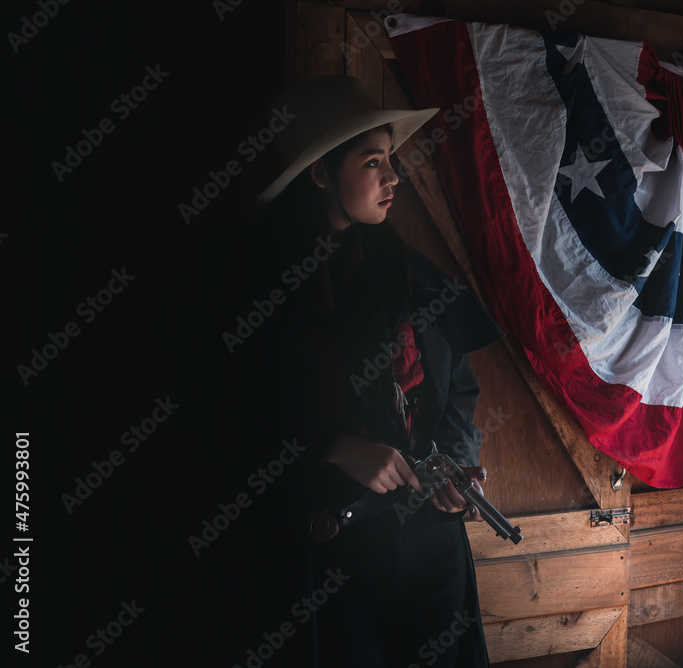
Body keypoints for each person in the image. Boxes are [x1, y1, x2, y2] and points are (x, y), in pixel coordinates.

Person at [252, 75, 503, 667]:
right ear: (320, 174)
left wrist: (454, 468)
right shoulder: (255, 281)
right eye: (373, 162)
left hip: (430, 551)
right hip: (330, 558)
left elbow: (458, 389)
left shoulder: (407, 271)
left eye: (390, 159)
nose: (394, 178)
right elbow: (228, 414)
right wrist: (331, 447)